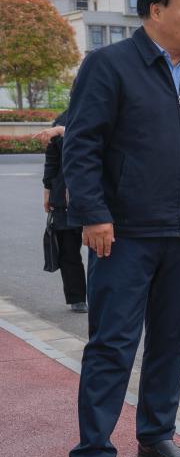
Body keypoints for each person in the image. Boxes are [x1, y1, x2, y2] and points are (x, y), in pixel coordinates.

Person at [61, 0, 180, 457]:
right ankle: (92, 454)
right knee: (112, 344)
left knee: (172, 340)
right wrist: (93, 213)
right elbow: (81, 144)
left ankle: (156, 434)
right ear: (156, 11)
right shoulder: (109, 65)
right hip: (124, 235)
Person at [41, 112, 87, 313]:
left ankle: (107, 297)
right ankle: (77, 298)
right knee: (68, 250)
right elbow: (52, 159)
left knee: (105, 251)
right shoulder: (63, 118)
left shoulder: (106, 112)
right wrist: (47, 190)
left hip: (100, 195)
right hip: (64, 196)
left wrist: (63, 131)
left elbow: (95, 142)